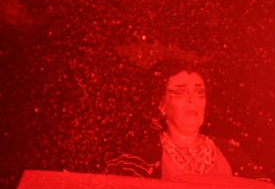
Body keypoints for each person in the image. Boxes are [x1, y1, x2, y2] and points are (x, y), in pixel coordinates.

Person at [105, 60, 263, 180]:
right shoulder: (138, 161)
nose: (192, 100)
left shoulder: (231, 154)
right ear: (160, 104)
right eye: (180, 92)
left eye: (199, 92)